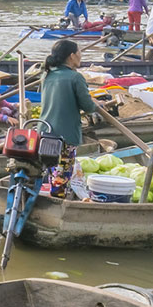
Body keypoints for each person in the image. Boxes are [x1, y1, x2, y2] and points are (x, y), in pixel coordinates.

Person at [35, 38, 101, 195]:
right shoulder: (75, 77)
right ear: (72, 56)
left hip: (44, 130)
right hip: (65, 134)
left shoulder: (47, 75)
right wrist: (97, 106)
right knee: (62, 173)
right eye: (79, 53)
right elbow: (87, 105)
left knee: (52, 169)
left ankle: (52, 193)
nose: (80, 56)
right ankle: (58, 198)